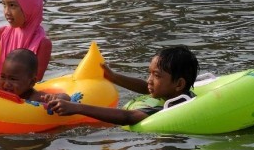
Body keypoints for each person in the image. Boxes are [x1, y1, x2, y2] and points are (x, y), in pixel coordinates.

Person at [47, 45, 199, 125]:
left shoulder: (173, 107)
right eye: (150, 73)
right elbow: (148, 88)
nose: (149, 80)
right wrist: (114, 77)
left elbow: (128, 117)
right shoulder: (177, 92)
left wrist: (76, 108)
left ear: (179, 84)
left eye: (157, 75)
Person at [0, 0, 52, 83]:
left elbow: (33, 83)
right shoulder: (1, 34)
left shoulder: (42, 44)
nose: (7, 12)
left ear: (30, 6)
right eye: (4, 5)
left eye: (12, 5)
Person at [0, 48, 69, 102]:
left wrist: (55, 98)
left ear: (31, 82)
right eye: (3, 77)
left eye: (13, 79)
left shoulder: (36, 97)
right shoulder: (1, 90)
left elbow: (66, 98)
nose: (6, 84)